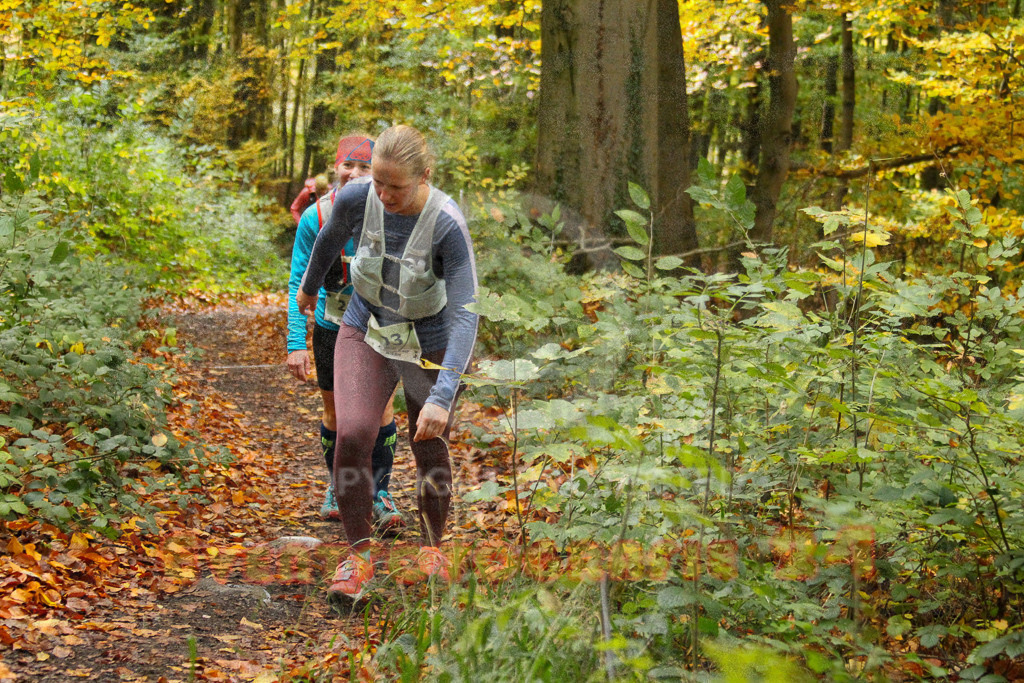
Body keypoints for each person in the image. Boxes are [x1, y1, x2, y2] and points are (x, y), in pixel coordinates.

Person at [297, 124, 478, 603]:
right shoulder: (358, 197)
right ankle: (357, 557)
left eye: (395, 186)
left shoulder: (446, 224)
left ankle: (433, 550)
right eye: (378, 183)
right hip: (367, 327)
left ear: (424, 176)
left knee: (428, 440)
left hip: (430, 341)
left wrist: (442, 396)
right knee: (353, 432)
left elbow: (465, 313)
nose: (384, 195)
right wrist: (310, 286)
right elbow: (331, 233)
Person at [287, 134, 403, 528]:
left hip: (380, 324)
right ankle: (338, 486)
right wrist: (294, 342)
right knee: (335, 412)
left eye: (365, 167)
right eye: (348, 166)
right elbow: (297, 284)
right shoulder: (315, 217)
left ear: (379, 173)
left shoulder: (392, 209)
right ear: (335, 167)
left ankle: (379, 493)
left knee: (381, 409)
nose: (355, 173)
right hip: (331, 325)